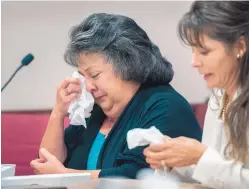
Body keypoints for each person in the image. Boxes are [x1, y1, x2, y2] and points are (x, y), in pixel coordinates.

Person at [30, 13, 202, 179]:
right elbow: (48, 164)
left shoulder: (167, 106)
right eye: (83, 76)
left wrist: (65, 176)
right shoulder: (95, 112)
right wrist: (58, 112)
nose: (88, 87)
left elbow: (139, 175)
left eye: (95, 75)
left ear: (128, 65)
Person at [144, 1, 249, 188]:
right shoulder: (219, 96)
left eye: (204, 51)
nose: (194, 62)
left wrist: (200, 156)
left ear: (240, 47)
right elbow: (216, 173)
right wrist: (175, 160)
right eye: (193, 51)